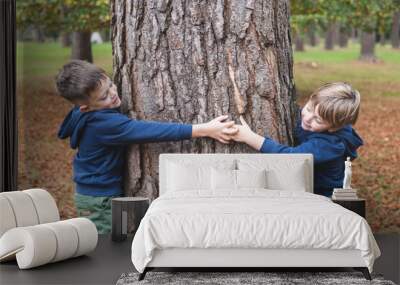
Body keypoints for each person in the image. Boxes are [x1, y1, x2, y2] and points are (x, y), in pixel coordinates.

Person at [56, 60, 238, 233]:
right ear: (85, 108)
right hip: (98, 200)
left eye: (111, 84)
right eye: (104, 97)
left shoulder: (86, 114)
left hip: (96, 194)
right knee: (105, 248)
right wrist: (205, 129)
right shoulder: (102, 124)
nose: (112, 93)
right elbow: (152, 131)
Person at [227, 82, 363, 197]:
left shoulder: (329, 145)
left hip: (322, 198)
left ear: (334, 127)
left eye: (318, 120)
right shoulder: (314, 123)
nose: (307, 118)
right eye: (309, 109)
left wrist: (250, 138)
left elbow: (292, 158)